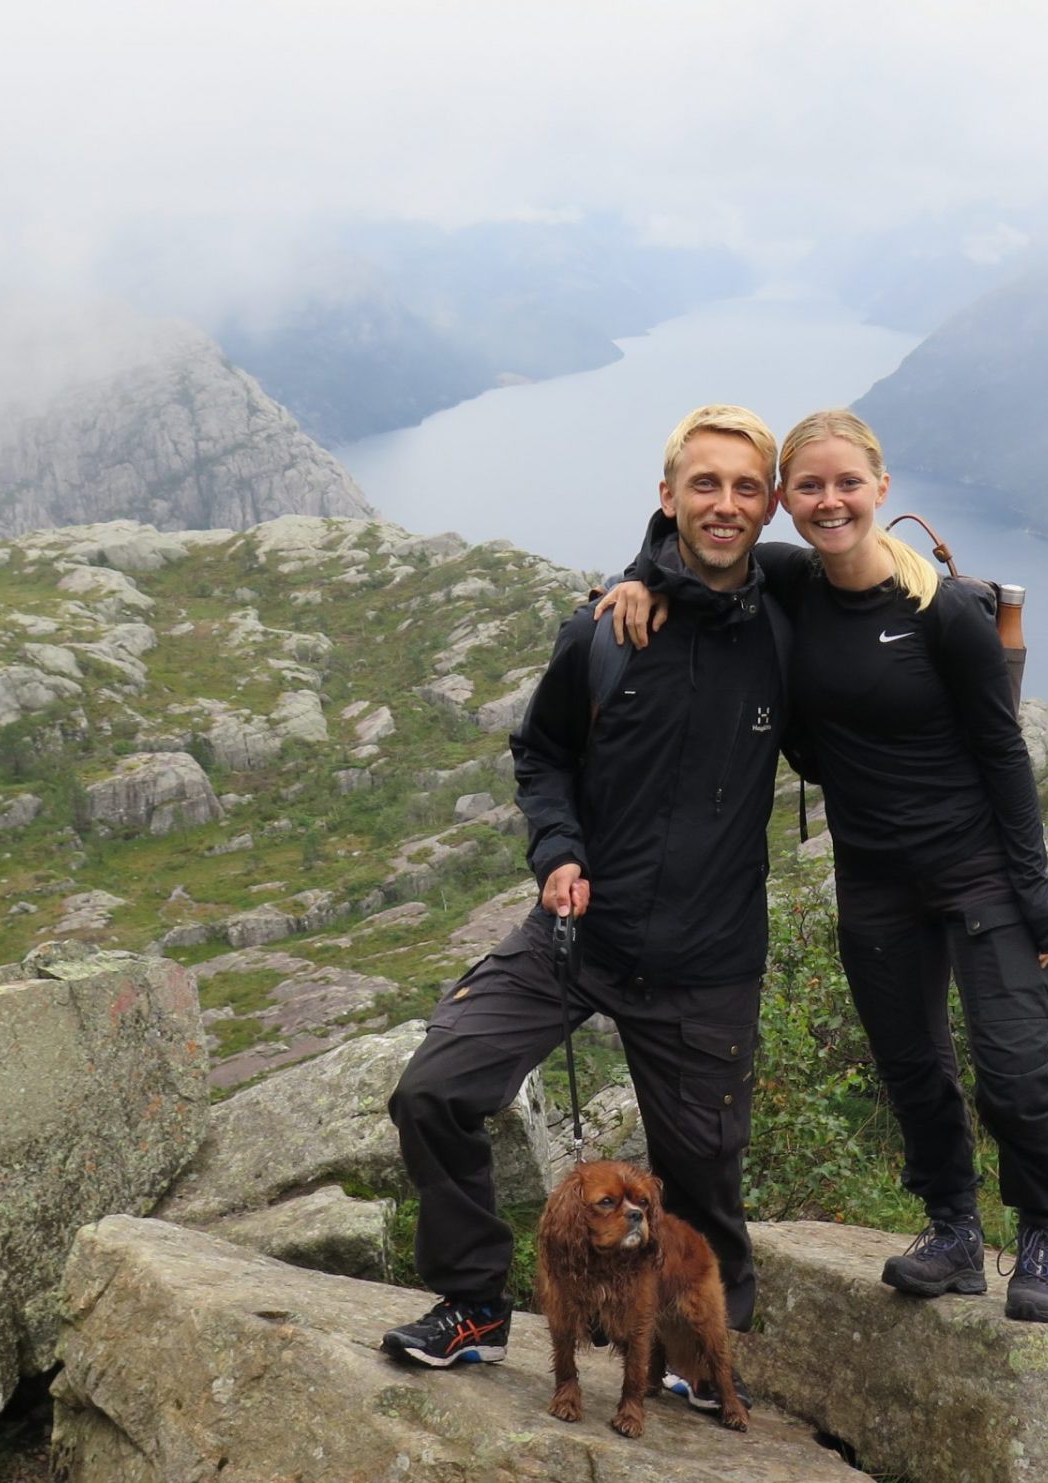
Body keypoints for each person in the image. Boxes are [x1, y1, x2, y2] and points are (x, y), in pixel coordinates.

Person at [601, 409, 1048, 1322]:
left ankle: (1043, 1231)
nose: (830, 502)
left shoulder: (944, 614)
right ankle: (952, 1230)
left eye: (847, 483)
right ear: (786, 501)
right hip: (873, 878)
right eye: (809, 487)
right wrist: (636, 579)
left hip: (978, 873)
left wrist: (1037, 898)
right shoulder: (788, 581)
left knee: (1015, 1071)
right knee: (912, 1067)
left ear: (881, 488)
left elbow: (1005, 758)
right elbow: (691, 542)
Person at [380, 405, 787, 1405]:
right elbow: (543, 750)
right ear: (668, 496)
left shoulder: (791, 626)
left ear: (770, 502)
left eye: (745, 487)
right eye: (705, 484)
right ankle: (475, 1305)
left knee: (702, 1183)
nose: (725, 504)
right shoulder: (606, 627)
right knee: (434, 1089)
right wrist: (557, 850)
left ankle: (695, 1351)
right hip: (579, 935)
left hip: (706, 962)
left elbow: (873, 626)